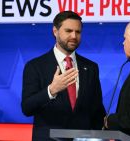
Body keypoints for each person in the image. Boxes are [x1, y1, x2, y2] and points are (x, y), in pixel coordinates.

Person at [21, 11, 106, 141]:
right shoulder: (35, 66)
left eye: (78, 32)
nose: (74, 36)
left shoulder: (91, 67)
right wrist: (51, 90)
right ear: (55, 31)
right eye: (68, 31)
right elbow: (27, 108)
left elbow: (97, 110)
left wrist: (102, 136)